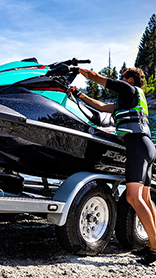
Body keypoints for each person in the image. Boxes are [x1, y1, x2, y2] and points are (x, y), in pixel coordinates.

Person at [71, 67, 156, 265]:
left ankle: (154, 248)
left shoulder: (128, 90)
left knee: (132, 197)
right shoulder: (130, 100)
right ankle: (153, 244)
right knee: (145, 198)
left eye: (124, 76)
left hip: (136, 145)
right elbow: (100, 107)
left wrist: (76, 69)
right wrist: (79, 94)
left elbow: (95, 77)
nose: (121, 78)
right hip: (147, 147)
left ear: (132, 80)